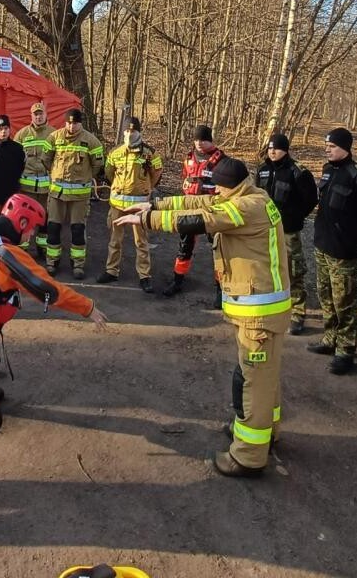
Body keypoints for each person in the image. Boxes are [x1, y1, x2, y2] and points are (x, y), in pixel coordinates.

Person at [0, 193, 109, 539]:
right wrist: (87, 307)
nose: (32, 238)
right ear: (23, 223)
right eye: (32, 231)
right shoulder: (3, 253)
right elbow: (46, 288)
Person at [116, 156, 288, 477]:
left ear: (231, 186)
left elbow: (200, 219)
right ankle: (266, 431)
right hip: (261, 309)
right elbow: (200, 200)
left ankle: (249, 456)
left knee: (254, 381)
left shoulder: (244, 208)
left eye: (219, 189)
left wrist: (149, 221)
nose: (215, 194)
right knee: (262, 378)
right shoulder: (250, 195)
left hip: (259, 312)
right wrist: (156, 205)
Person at [308, 127, 357, 375]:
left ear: (346, 148)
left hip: (344, 252)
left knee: (344, 302)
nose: (327, 149)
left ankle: (345, 350)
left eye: (332, 146)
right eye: (326, 146)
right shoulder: (328, 170)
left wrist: (351, 239)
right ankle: (330, 339)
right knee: (325, 296)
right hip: (323, 245)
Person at [254, 133, 319, 335]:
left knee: (293, 271)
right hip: (265, 231)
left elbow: (310, 200)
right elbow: (256, 196)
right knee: (266, 269)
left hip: (288, 231)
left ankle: (297, 313)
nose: (272, 152)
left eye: (277, 148)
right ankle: (271, 308)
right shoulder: (262, 170)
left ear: (286, 150)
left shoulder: (298, 172)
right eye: (270, 148)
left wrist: (294, 217)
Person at [100, 116, 162, 292]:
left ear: (139, 132)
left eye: (132, 131)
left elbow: (157, 172)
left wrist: (147, 187)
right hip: (117, 204)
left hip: (139, 206)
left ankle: (144, 276)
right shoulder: (115, 152)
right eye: (127, 131)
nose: (129, 134)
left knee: (141, 242)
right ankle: (111, 271)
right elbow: (109, 173)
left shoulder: (149, 153)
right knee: (115, 240)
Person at [163, 124, 224, 296]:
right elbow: (186, 178)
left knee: (218, 248)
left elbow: (226, 186)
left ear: (210, 140)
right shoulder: (189, 157)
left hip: (212, 209)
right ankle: (177, 280)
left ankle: (221, 289)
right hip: (190, 207)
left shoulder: (221, 160)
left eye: (203, 140)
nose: (199, 143)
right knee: (185, 246)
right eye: (196, 139)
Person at [45, 108, 104, 279]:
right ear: (65, 122)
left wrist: (84, 178)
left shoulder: (91, 141)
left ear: (81, 123)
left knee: (78, 230)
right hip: (57, 195)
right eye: (69, 123)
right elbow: (46, 160)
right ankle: (52, 261)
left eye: (75, 123)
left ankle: (77, 264)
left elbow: (97, 166)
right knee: (53, 228)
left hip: (79, 197)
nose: (72, 126)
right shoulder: (54, 137)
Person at [14, 101, 55, 258]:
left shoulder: (53, 134)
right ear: (31, 116)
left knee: (45, 218)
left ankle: (42, 247)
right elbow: (15, 158)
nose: (38, 117)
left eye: (41, 114)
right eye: (35, 114)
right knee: (25, 218)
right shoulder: (22, 134)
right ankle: (23, 248)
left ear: (46, 114)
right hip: (27, 187)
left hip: (46, 187)